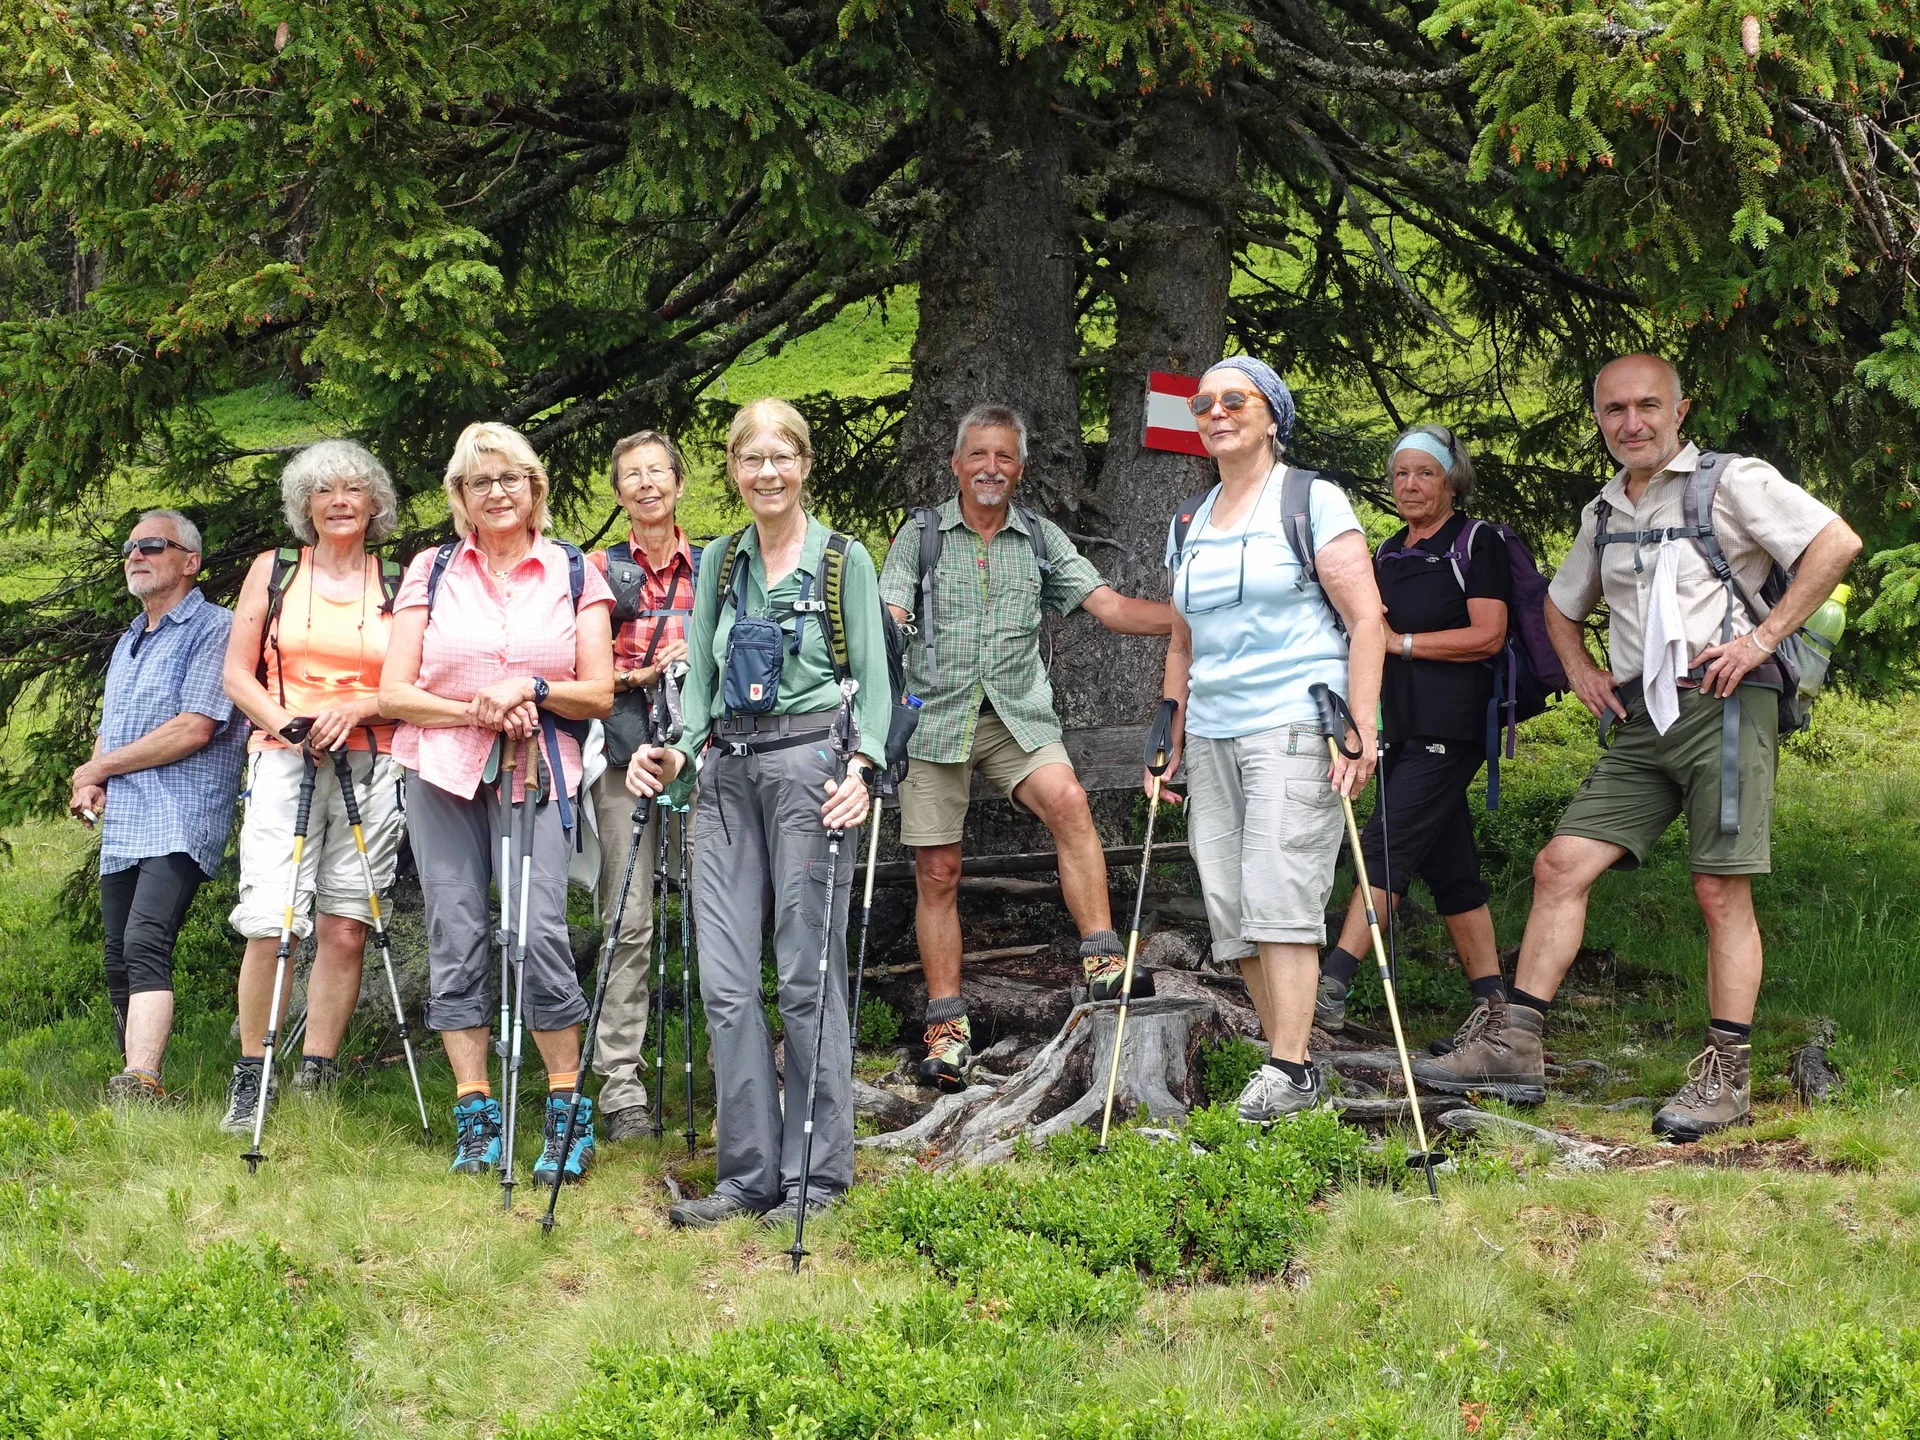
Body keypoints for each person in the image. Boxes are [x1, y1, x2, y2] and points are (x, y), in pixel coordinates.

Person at [1416, 354, 1861, 1139]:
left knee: (1719, 892)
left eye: (1648, 406)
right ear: (1600, 419)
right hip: (1639, 717)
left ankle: (1726, 1080)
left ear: (1679, 411)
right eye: (1616, 409)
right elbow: (1559, 606)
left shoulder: (1732, 481)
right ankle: (1515, 1048)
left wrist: (1759, 641)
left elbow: (1836, 543)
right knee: (1559, 865)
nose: (1633, 422)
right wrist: (1582, 669)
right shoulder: (1604, 512)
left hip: (1726, 704)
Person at [628, 398, 888, 1229]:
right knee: (731, 984)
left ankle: (819, 1177)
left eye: (781, 457)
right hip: (726, 776)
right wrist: (678, 752)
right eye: (751, 460)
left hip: (813, 771)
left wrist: (865, 767)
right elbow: (700, 681)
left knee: (808, 979)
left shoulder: (845, 561)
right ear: (734, 471)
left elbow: (873, 684)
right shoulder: (722, 562)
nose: (766, 473)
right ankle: (748, 1177)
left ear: (804, 465)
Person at [879, 404, 1172, 1091]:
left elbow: (1111, 607)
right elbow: (888, 616)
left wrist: (1196, 617)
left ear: (1020, 467)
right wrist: (883, 640)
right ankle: (947, 1028)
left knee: (1070, 800)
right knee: (939, 871)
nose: (990, 469)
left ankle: (1103, 959)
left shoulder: (1038, 537)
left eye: (1004, 457)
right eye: (978, 455)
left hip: (1016, 719)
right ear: (955, 464)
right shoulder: (920, 535)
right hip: (931, 722)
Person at [379, 422, 615, 1180]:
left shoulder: (575, 569)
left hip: (538, 769)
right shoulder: (431, 569)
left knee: (538, 927)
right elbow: (394, 691)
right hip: (443, 771)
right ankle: (475, 1111)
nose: (497, 492)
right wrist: (480, 709)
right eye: (480, 482)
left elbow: (599, 691)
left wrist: (533, 691)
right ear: (461, 497)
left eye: (511, 477)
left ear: (534, 487)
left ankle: (565, 1111)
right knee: (454, 929)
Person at [1157, 358, 1385, 1122]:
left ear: (1271, 415)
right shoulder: (1187, 519)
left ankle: (1287, 1069)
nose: (1216, 412)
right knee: (1233, 904)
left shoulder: (1310, 498)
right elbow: (1184, 640)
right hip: (1215, 727)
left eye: (1234, 399)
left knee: (1279, 891)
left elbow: (1366, 621)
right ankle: (1294, 1070)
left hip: (1294, 719)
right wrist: (1170, 728)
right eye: (1203, 403)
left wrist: (1362, 725)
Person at [218, 441, 407, 1132]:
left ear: (374, 504)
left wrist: (360, 709)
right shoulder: (274, 571)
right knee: (273, 921)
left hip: (373, 756)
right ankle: (252, 1076)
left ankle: (316, 1073)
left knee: (347, 925)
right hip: (282, 758)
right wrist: (286, 724)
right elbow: (238, 673)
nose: (339, 501)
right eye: (323, 490)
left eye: (353, 489)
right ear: (305, 505)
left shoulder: (399, 578)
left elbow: (414, 682)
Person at [1317, 427, 1513, 1056]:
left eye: (1424, 472)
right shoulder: (1389, 549)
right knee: (1451, 865)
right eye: (1400, 473)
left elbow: (1487, 635)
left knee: (1385, 844)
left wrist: (1401, 644)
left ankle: (1331, 987)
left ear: (1451, 479)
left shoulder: (1477, 542)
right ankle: (1496, 1009)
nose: (1409, 484)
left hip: (1451, 725)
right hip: (1399, 725)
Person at [70, 510, 247, 1102]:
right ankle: (131, 1078)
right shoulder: (128, 639)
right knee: (118, 952)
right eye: (129, 548)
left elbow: (195, 727)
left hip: (180, 814)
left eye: (151, 545)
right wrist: (94, 777)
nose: (135, 555)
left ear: (189, 562)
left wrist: (102, 766)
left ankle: (143, 1077)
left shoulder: (215, 628)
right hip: (127, 820)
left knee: (146, 941)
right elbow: (113, 725)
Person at [585, 429, 697, 1143]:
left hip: (699, 759)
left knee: (718, 912)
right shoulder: (600, 570)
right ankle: (620, 1087)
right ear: (620, 492)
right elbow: (585, 672)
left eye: (659, 472)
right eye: (633, 475)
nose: (647, 484)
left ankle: (738, 1064)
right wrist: (642, 676)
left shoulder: (716, 564)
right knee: (626, 922)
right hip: (624, 758)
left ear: (680, 484)